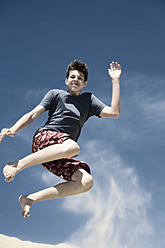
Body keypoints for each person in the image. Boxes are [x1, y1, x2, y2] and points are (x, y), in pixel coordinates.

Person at [0, 60, 121, 218]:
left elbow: (114, 112)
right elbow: (33, 114)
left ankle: (29, 199)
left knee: (86, 182)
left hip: (58, 152)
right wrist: (14, 128)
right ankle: (18, 165)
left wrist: (115, 80)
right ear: (66, 80)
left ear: (85, 83)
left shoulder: (88, 100)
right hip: (45, 137)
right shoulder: (55, 94)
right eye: (72, 76)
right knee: (73, 147)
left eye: (79, 77)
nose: (75, 79)